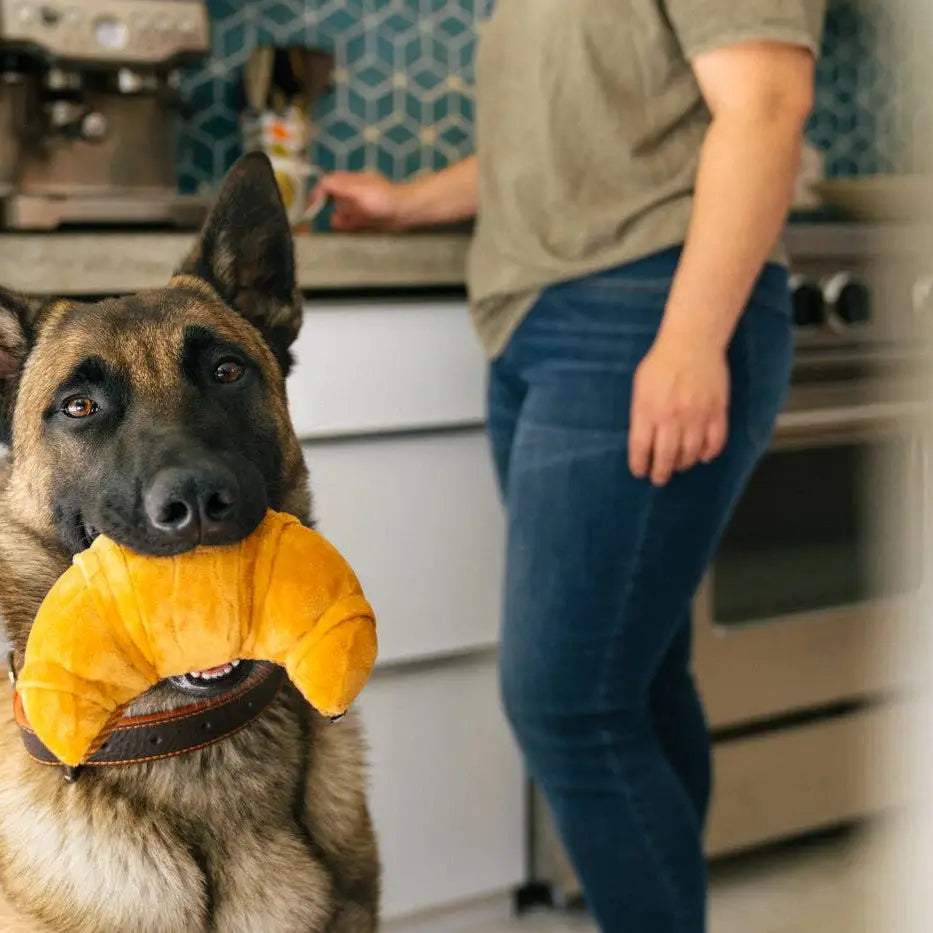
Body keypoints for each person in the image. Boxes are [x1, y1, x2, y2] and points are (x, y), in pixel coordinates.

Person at [314, 4, 825, 930]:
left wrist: (690, 340)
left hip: (644, 310)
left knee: (567, 703)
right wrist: (415, 200)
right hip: (541, 321)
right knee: (636, 681)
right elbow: (574, 143)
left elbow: (766, 104)